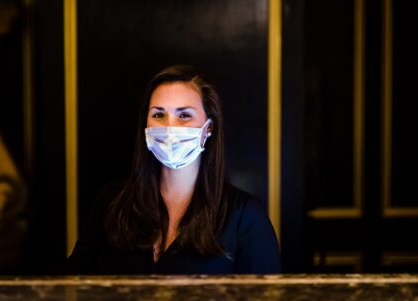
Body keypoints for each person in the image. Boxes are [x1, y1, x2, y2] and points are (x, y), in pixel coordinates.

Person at [65, 64, 281, 275]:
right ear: (146, 126)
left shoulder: (244, 216)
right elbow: (73, 287)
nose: (170, 128)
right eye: (159, 115)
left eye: (184, 115)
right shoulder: (111, 202)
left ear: (208, 128)